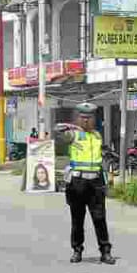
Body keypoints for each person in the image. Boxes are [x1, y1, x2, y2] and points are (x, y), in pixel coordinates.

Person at [53, 103, 115, 264]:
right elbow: (57, 129)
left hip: (96, 182)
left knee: (100, 218)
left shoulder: (97, 136)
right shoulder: (73, 135)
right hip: (77, 182)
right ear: (78, 118)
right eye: (83, 117)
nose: (86, 121)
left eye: (89, 118)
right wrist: (72, 126)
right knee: (77, 219)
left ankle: (105, 251)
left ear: (95, 119)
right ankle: (77, 250)